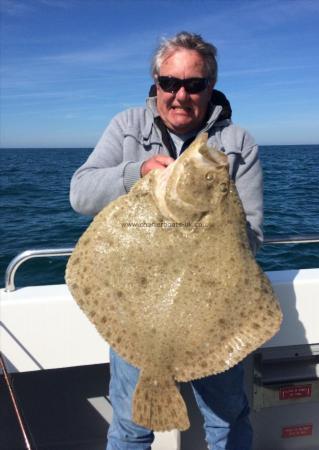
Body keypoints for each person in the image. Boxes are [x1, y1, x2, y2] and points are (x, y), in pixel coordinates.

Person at [70, 31, 263, 450]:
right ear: (155, 82)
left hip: (213, 311)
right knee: (129, 427)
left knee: (228, 421)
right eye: (169, 83)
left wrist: (215, 218)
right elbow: (80, 193)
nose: (180, 95)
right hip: (136, 305)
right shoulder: (127, 126)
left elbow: (253, 234)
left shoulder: (238, 142)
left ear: (210, 86)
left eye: (194, 85)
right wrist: (135, 173)